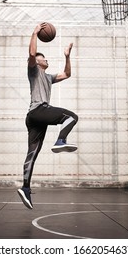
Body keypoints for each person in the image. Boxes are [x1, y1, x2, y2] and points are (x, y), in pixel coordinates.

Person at [17, 23, 79, 209]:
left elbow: (67, 74)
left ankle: (25, 189)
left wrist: (67, 57)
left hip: (34, 117)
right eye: (43, 58)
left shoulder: (48, 77)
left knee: (32, 153)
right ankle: (60, 140)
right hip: (38, 110)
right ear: (38, 62)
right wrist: (34, 32)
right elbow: (31, 55)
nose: (46, 60)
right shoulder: (34, 71)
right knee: (71, 117)